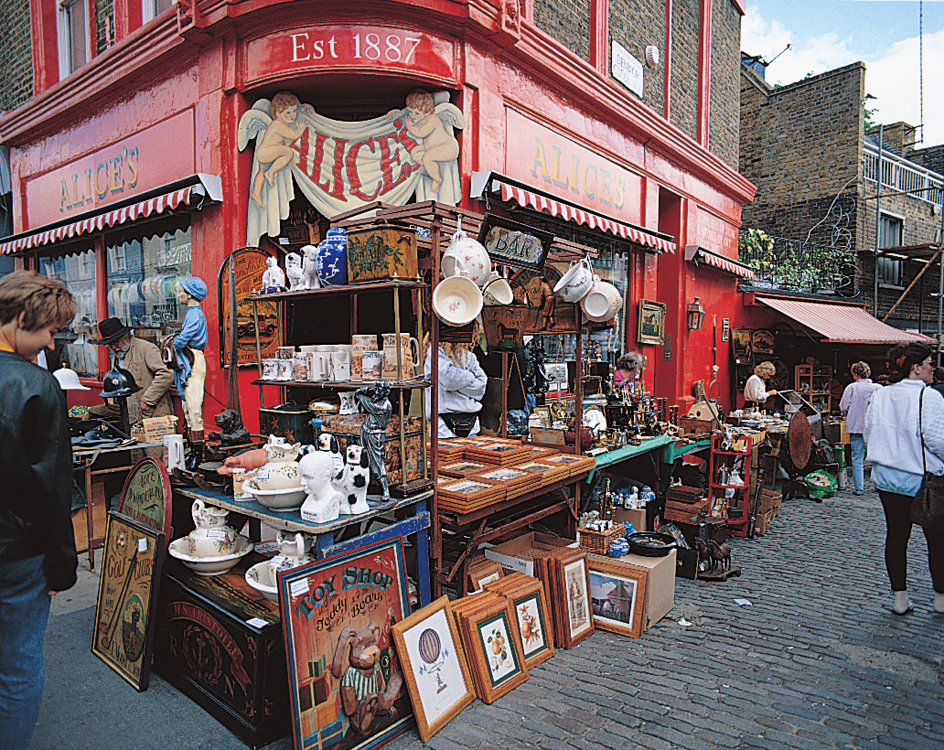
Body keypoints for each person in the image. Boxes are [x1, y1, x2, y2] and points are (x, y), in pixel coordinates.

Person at [0, 270, 79, 747]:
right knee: (19, 663)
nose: (52, 343)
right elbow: (52, 487)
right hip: (19, 551)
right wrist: (61, 564)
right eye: (50, 330)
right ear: (23, 318)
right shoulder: (36, 385)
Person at [864, 342, 944, 615]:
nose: (934, 367)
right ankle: (940, 597)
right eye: (930, 363)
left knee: (897, 537)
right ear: (916, 367)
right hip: (923, 479)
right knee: (937, 539)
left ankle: (900, 598)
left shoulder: (882, 394)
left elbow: (868, 431)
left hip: (887, 477)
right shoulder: (928, 396)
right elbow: (935, 438)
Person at [89, 317, 174, 426]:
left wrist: (147, 400)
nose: (114, 347)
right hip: (130, 416)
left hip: (152, 415)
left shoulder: (146, 349)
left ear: (126, 337)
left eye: (115, 342)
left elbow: (166, 373)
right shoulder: (118, 354)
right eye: (109, 345)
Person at [423, 333, 488, 439]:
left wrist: (458, 384)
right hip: (444, 428)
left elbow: (481, 385)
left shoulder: (469, 356)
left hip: (471, 425)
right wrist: (471, 376)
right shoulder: (435, 353)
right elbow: (450, 379)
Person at [173, 277, 208, 454]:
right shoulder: (191, 313)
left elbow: (182, 340)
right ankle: (193, 449)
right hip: (190, 357)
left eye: (181, 291)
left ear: (190, 295)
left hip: (192, 357)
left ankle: (197, 451)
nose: (179, 294)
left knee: (193, 405)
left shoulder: (194, 314)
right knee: (188, 404)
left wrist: (173, 340)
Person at [839, 361, 882, 496]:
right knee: (876, 457)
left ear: (855, 374)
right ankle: (878, 484)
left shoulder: (852, 388)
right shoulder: (878, 388)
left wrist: (847, 413)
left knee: (857, 457)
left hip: (856, 426)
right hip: (874, 427)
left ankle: (859, 487)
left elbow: (844, 406)